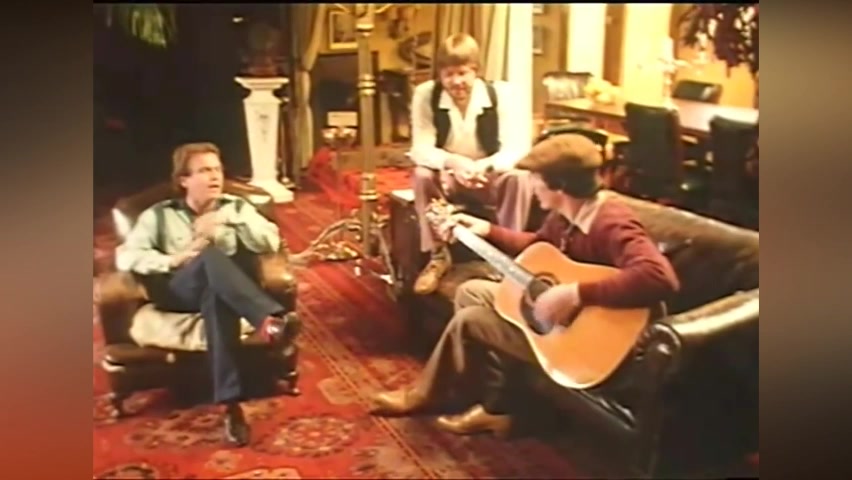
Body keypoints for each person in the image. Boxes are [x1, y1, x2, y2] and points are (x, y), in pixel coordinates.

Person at [370, 134, 680, 436]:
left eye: (536, 179)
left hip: (596, 346)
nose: (531, 185)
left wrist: (575, 294)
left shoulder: (610, 222)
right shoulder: (565, 215)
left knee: (471, 319)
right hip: (566, 326)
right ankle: (497, 404)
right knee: (471, 291)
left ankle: (428, 395)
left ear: (559, 185)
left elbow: (659, 277)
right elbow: (538, 246)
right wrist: (486, 229)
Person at [115, 142, 300, 447]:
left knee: (217, 296)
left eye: (217, 169)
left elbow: (270, 241)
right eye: (204, 170)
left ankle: (231, 407)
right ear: (184, 180)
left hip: (224, 290)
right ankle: (269, 319)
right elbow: (126, 256)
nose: (215, 176)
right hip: (178, 290)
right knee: (210, 258)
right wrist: (171, 260)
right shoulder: (159, 215)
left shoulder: (237, 208)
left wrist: (227, 220)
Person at [409, 32, 532, 295]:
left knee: (519, 177)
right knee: (421, 174)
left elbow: (517, 148)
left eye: (463, 73)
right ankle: (438, 255)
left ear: (476, 70)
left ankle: (506, 259)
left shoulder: (503, 94)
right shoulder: (426, 95)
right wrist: (453, 162)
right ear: (439, 74)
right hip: (450, 178)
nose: (456, 82)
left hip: (490, 177)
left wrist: (482, 167)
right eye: (448, 74)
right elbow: (420, 148)